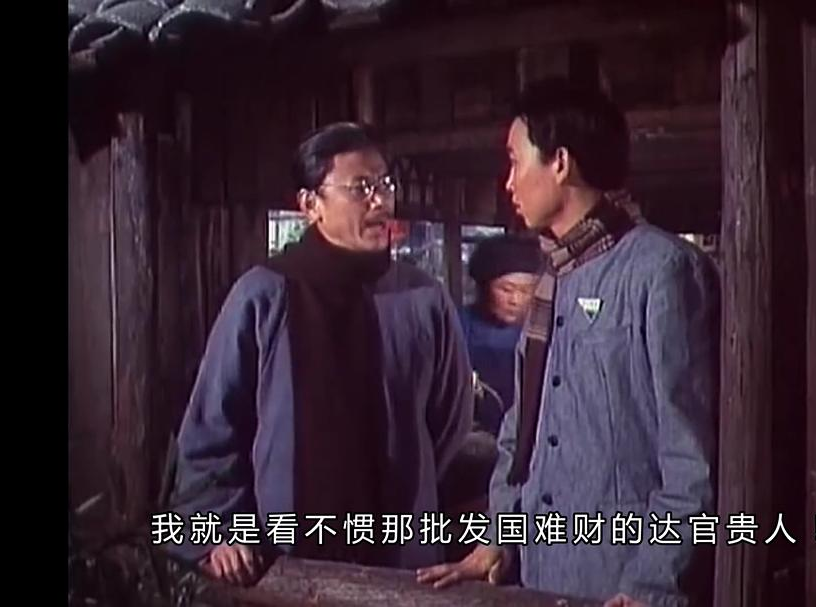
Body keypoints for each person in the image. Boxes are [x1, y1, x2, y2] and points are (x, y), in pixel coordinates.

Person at [416, 78, 719, 607]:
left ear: (559, 163)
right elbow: (522, 428)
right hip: (541, 570)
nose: (509, 181)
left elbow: (692, 456)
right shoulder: (553, 275)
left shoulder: (662, 270)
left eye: (516, 161)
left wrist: (651, 583)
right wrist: (499, 537)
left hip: (619, 578)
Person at [164, 122, 473, 586]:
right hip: (283, 557)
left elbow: (449, 422)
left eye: (385, 184)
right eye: (361, 188)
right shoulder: (263, 296)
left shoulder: (423, 298)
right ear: (310, 205)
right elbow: (213, 428)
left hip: (403, 558)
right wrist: (219, 530)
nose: (381, 201)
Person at [460, 234, 543, 435]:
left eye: (526, 291)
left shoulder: (545, 332)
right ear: (484, 287)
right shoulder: (457, 327)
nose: (515, 300)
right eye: (506, 289)